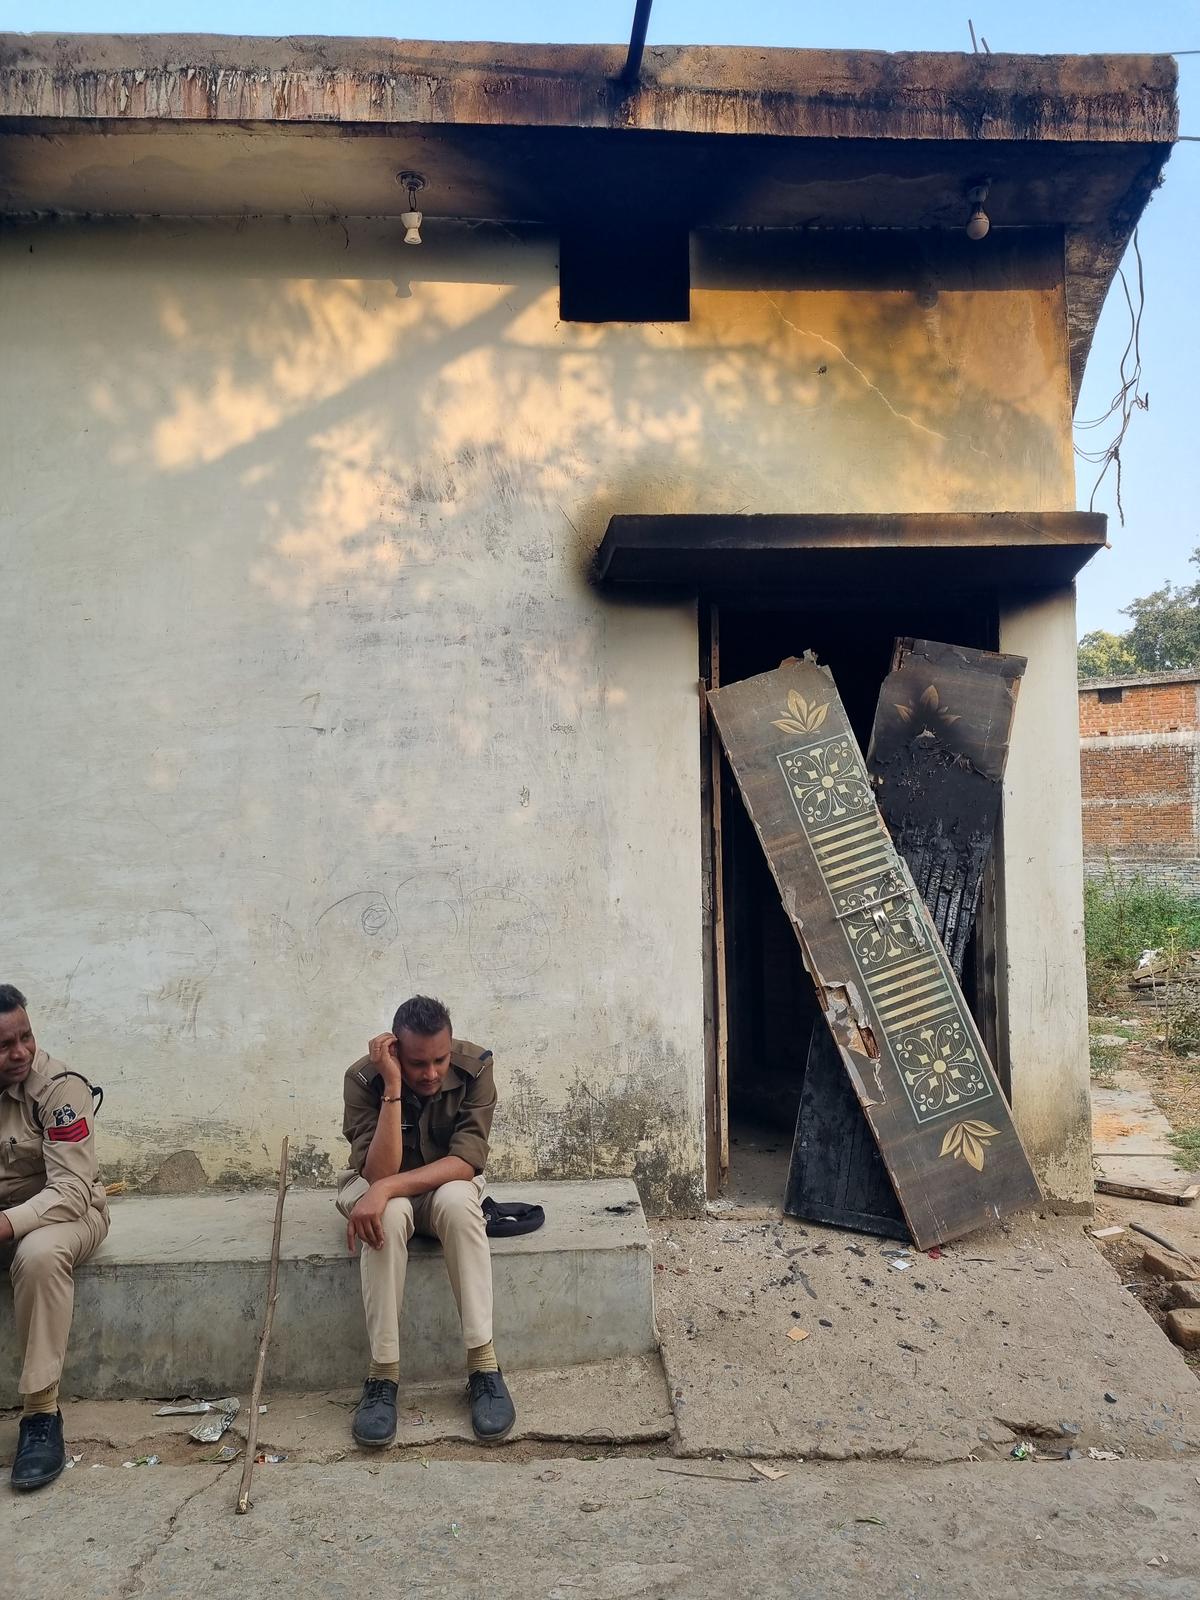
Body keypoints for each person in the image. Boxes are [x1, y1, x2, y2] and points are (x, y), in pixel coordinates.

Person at [338, 994, 515, 1448]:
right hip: (381, 1187)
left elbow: (465, 1163)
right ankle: (382, 1376)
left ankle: (484, 1367)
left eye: (440, 1059)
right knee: (389, 1214)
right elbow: (378, 1173)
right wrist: (393, 1086)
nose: (432, 1073)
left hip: (442, 1187)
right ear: (395, 1051)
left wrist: (386, 1189)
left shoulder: (476, 1069)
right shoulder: (363, 1079)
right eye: (417, 1063)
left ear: (451, 1046)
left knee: (458, 1202)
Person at [0, 985, 109, 1491]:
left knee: (38, 1255)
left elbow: (70, 1190)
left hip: (68, 1213)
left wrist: (7, 1224)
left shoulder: (61, 1090)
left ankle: (41, 1414)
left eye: (25, 1036)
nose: (20, 1052)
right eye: (4, 1045)